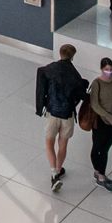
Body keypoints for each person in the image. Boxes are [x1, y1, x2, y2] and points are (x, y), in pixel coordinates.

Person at [35, 43, 87, 193]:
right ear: (72, 56)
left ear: (60, 53)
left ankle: (53, 173)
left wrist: (40, 107)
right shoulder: (74, 74)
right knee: (62, 144)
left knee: (49, 143)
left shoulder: (50, 69)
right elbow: (81, 93)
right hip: (67, 115)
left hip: (52, 113)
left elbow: (41, 79)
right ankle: (58, 169)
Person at [86, 56, 112, 193]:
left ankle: (99, 172)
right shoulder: (97, 83)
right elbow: (95, 104)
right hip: (101, 122)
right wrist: (108, 117)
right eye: (107, 69)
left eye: (111, 69)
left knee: (106, 148)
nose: (110, 72)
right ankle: (100, 175)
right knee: (99, 148)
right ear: (102, 69)